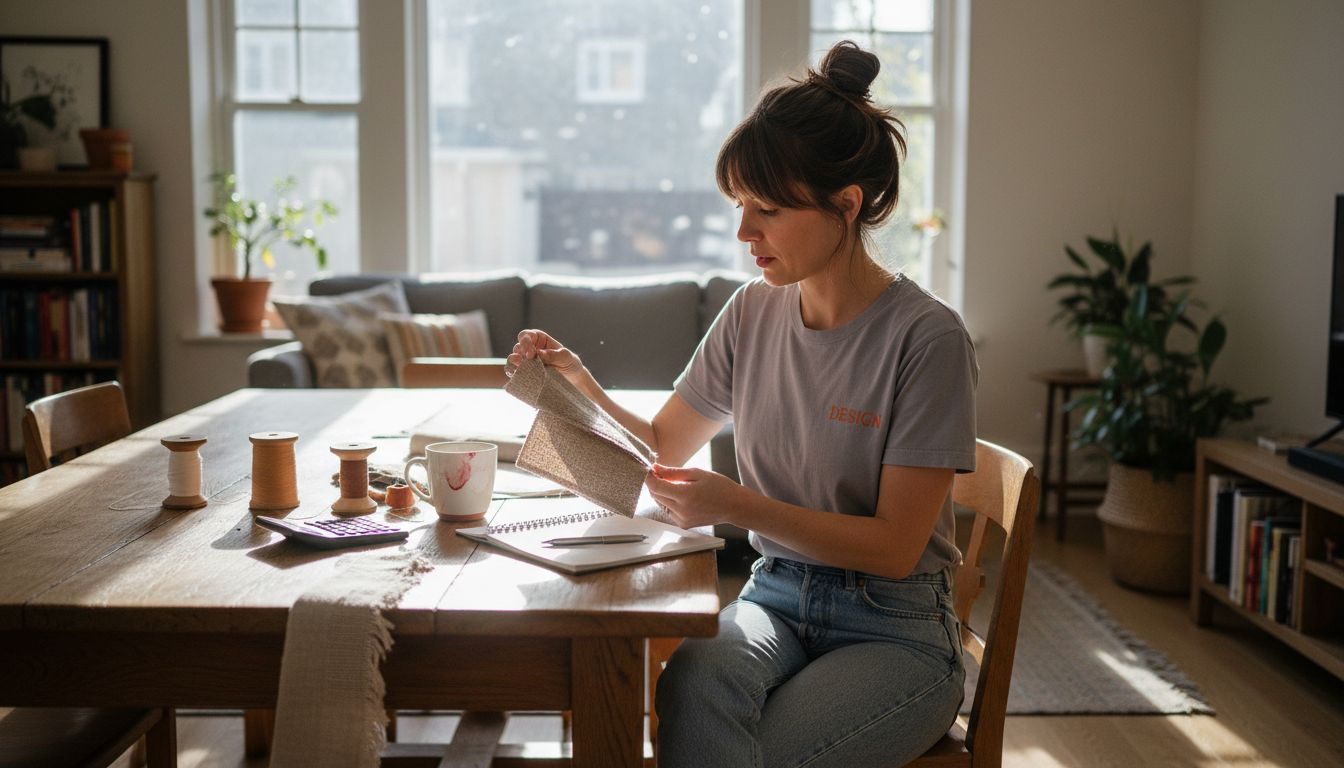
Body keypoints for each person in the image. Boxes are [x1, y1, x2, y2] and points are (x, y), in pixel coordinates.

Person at [508, 39, 976, 768]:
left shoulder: (928, 338)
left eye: (767, 209)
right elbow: (662, 446)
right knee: (692, 685)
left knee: (755, 753)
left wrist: (739, 506)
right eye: (739, 206)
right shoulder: (751, 313)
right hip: (776, 597)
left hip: (897, 630)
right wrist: (578, 388)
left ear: (845, 206)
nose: (743, 233)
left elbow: (894, 548)